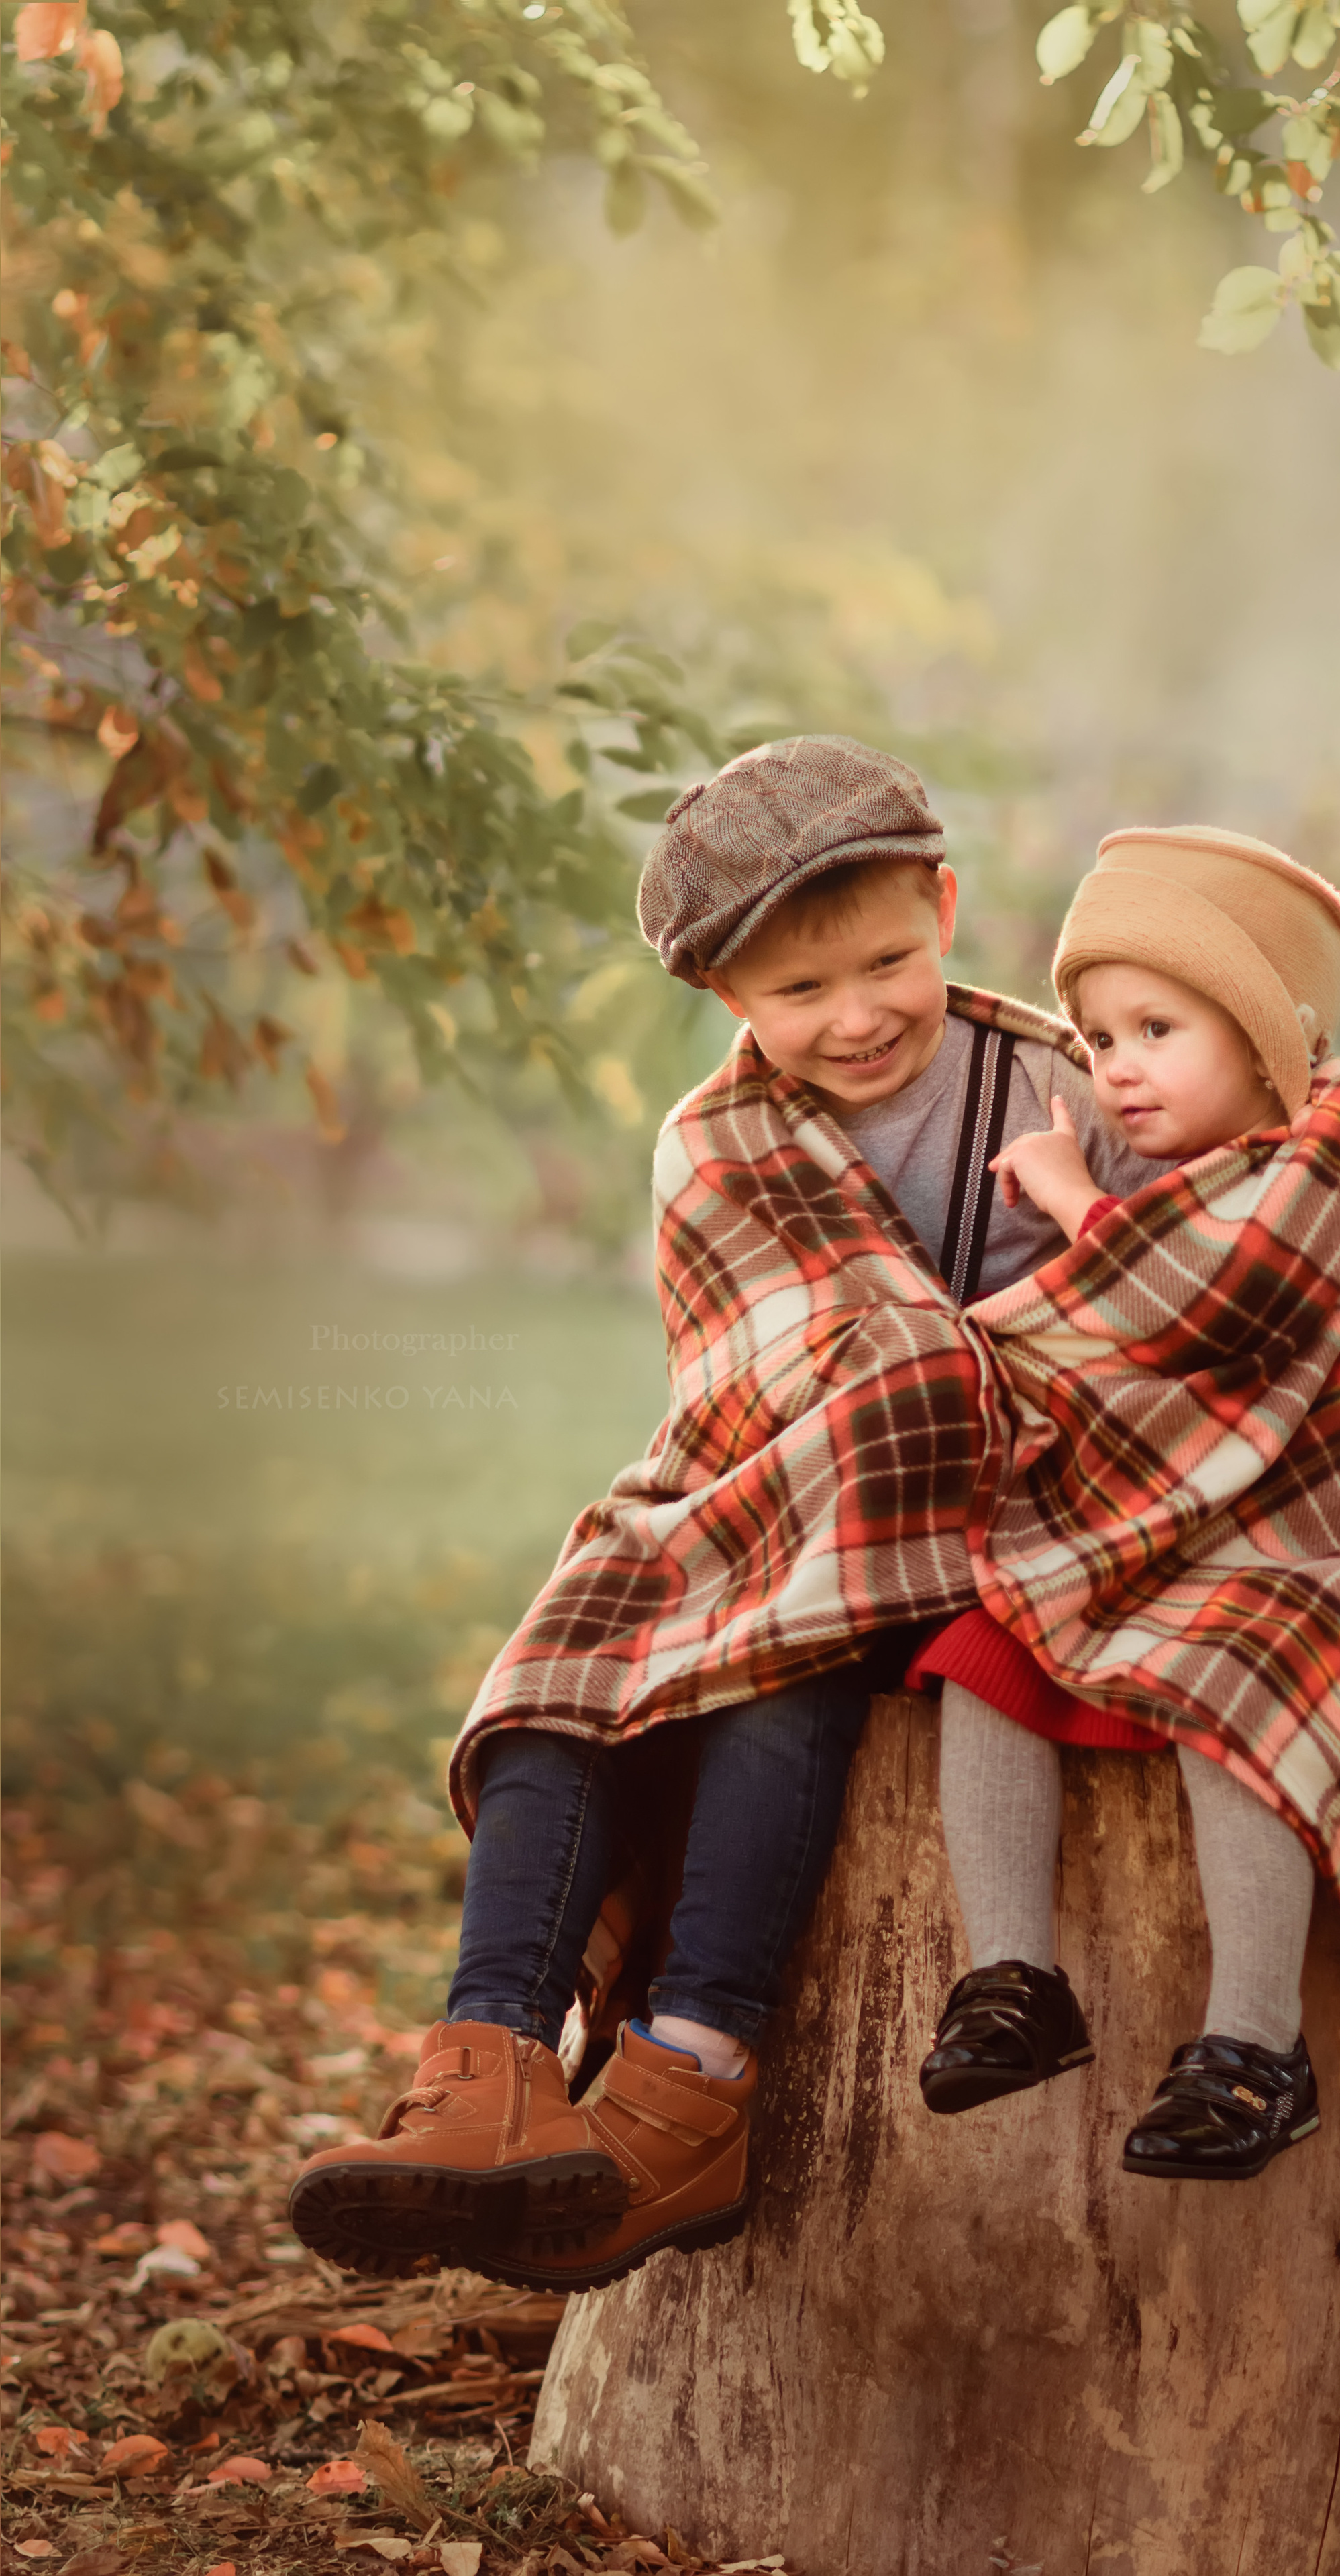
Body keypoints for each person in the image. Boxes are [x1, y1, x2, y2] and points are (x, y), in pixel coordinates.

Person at [287, 735, 1140, 2294]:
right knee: (572, 1665)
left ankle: (691, 2082)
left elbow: (1143, 1305)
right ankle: (487, 2069)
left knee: (768, 1668)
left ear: (946, 907)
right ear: (729, 1006)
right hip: (779, 1509)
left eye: (886, 961)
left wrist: (962, 1376)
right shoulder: (714, 1137)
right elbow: (750, 1378)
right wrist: (889, 1398)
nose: (857, 1014)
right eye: (798, 994)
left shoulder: (1062, 1089)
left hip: (1004, 1537)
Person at [911, 827, 1340, 2184]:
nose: (1114, 1066)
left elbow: (1208, 1321)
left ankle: (1254, 2045)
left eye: (1155, 1027)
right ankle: (1011, 1982)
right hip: (1152, 1544)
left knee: (1232, 1706)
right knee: (984, 1656)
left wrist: (1073, 1205)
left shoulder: (1326, 1157)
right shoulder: (1160, 1178)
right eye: (1098, 1036)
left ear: (1268, 1038)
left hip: (1298, 1564)